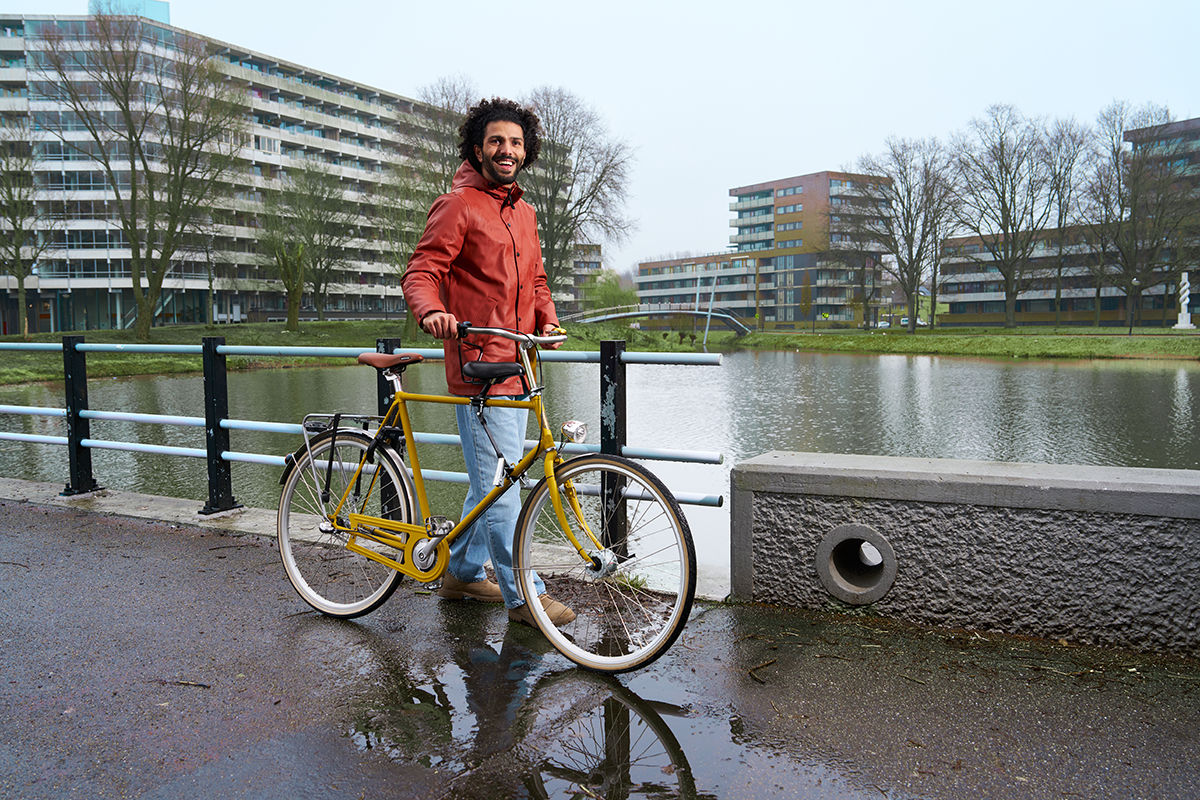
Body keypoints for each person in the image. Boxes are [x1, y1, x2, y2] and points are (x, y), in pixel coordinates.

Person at [400, 97, 575, 629]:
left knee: (492, 481)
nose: (507, 150)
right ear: (478, 148)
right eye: (497, 141)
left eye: (516, 142)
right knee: (503, 483)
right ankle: (524, 595)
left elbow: (537, 282)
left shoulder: (525, 213)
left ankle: (459, 571)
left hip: (520, 362)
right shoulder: (458, 205)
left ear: (527, 151)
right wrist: (432, 311)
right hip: (478, 365)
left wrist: (546, 320)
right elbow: (422, 271)